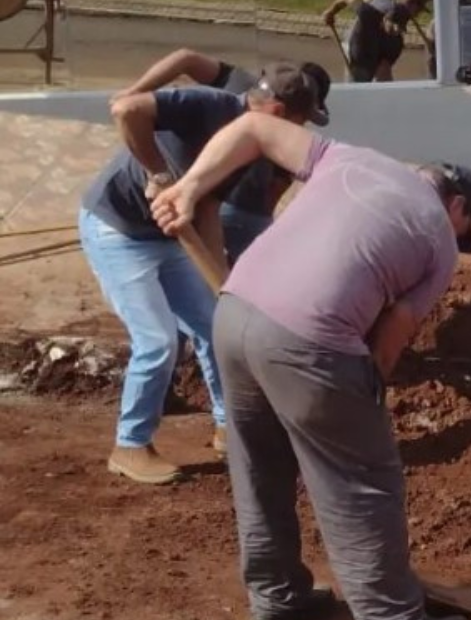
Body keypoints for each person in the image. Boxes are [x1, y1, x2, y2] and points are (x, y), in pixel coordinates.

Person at [149, 113, 471, 620]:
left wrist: (187, 188)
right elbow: (387, 345)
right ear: (459, 208)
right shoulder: (440, 242)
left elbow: (255, 125)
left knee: (259, 463)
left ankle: (277, 598)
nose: (458, 239)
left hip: (234, 315)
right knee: (362, 479)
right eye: (463, 229)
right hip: (309, 338)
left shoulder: (348, 156)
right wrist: (359, 400)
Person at [80, 64, 325, 485]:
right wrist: (157, 174)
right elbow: (127, 110)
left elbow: (209, 211)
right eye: (300, 124)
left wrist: (224, 290)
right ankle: (130, 444)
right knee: (157, 340)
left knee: (215, 327)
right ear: (280, 113)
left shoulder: (246, 149)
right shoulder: (210, 106)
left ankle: (228, 427)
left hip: (166, 239)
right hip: (117, 230)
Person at [111, 49, 335, 261]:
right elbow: (274, 193)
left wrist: (135, 90)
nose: (302, 125)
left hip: (204, 204)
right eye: (303, 118)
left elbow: (186, 58)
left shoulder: (242, 85)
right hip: (236, 210)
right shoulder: (277, 130)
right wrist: (158, 174)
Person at [321, 0, 432, 83]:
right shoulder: (368, 14)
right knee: (358, 80)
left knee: (383, 79)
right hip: (355, 43)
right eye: (418, 10)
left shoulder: (396, 42)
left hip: (374, 47)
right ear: (386, 19)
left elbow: (384, 68)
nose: (417, 15)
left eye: (401, 28)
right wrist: (331, 11)